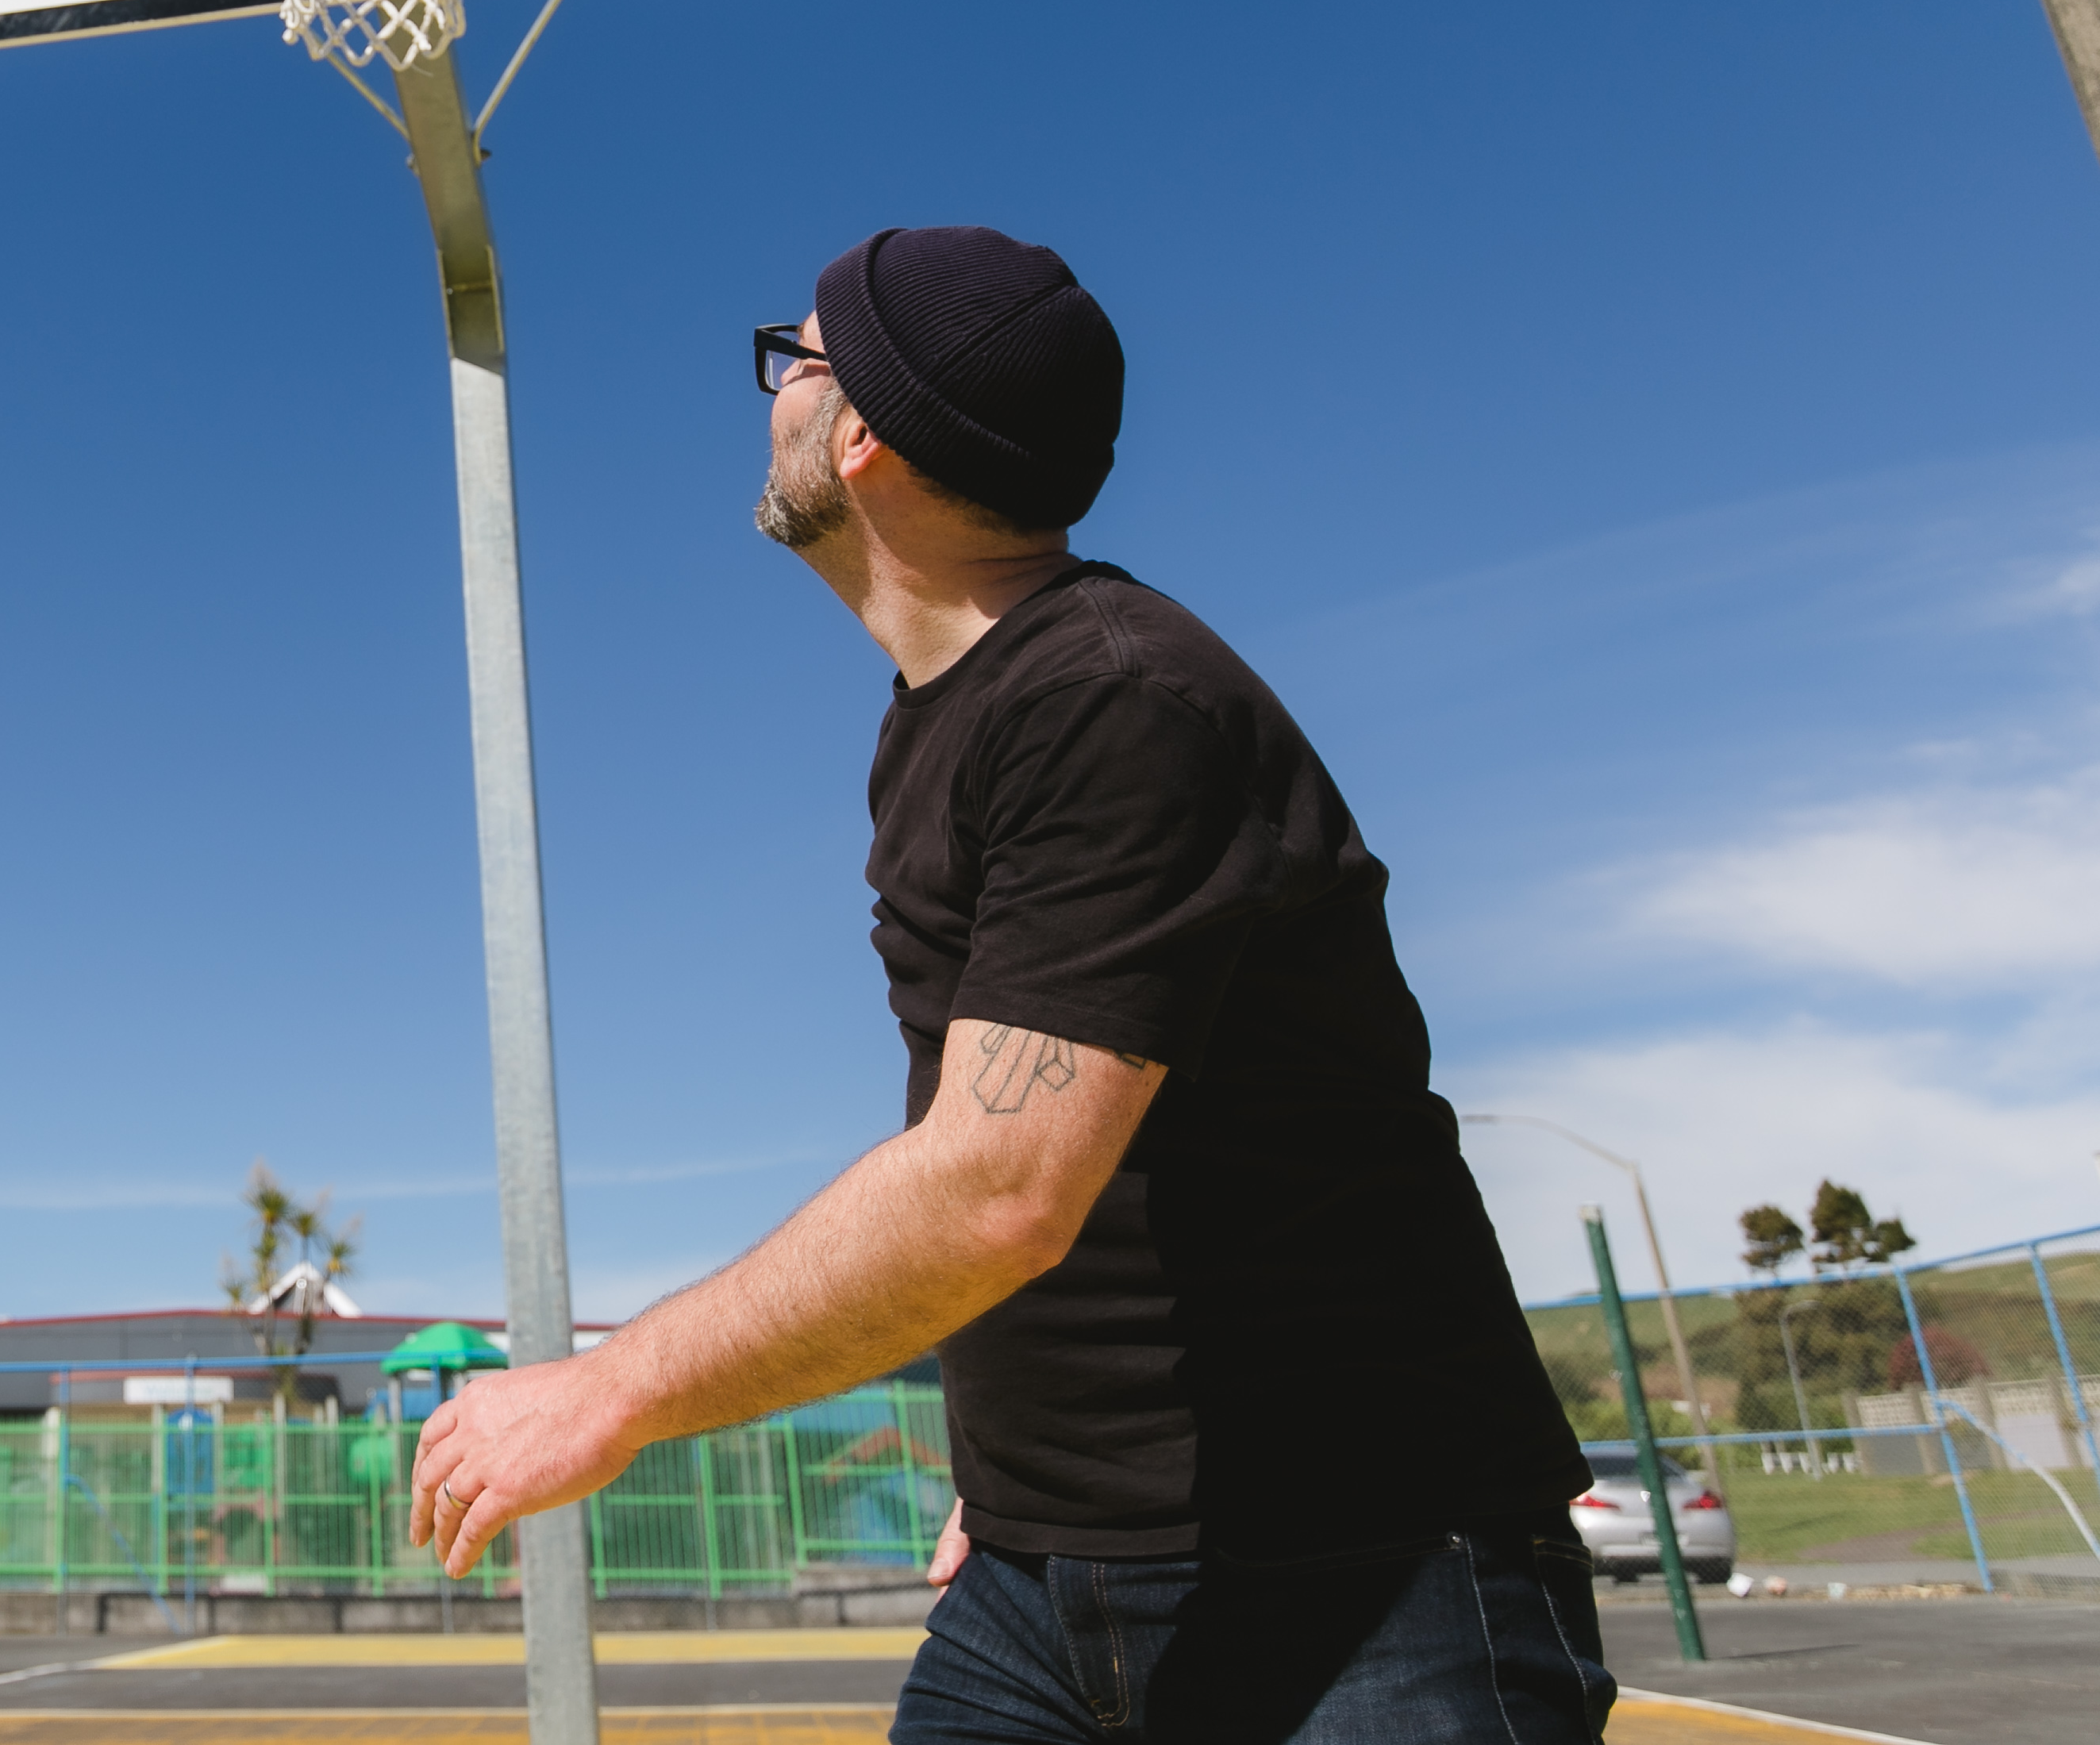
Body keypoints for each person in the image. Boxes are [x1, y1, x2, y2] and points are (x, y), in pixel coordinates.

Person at [404, 228, 1606, 1744]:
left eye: (801, 355)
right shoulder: (950, 719)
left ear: (860, 436)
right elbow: (1073, 1152)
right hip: (1047, 1574)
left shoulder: (1110, 699)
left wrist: (610, 1387)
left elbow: (996, 1183)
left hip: (1352, 1567)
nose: (772, 392)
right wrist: (1020, 1465)